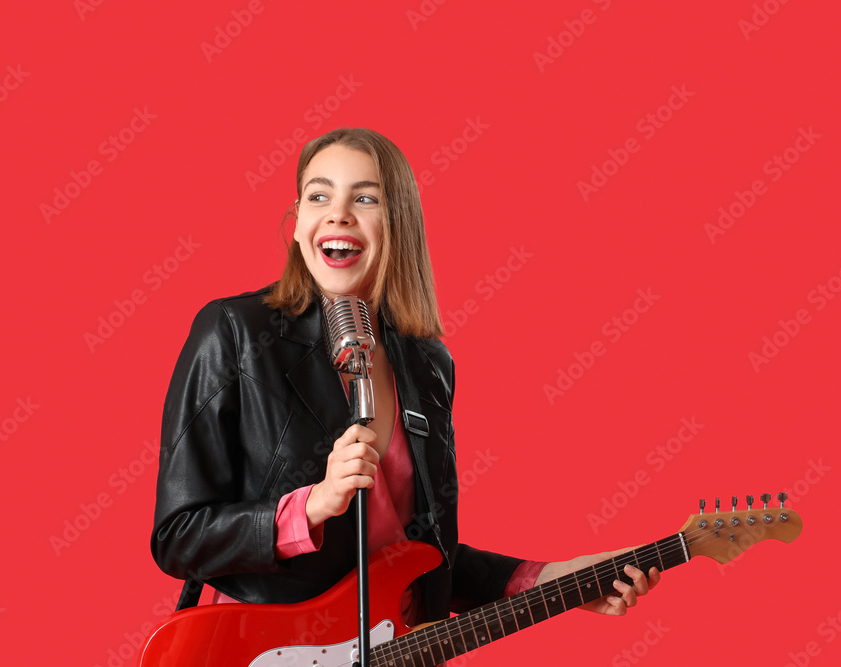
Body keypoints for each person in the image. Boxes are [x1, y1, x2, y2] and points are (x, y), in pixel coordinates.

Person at [150, 127, 660, 637]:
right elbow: (179, 536)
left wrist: (552, 580)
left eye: (365, 197)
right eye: (319, 195)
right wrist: (313, 505)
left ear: (399, 224)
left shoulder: (428, 364)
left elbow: (419, 554)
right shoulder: (235, 332)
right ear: (299, 222)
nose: (338, 213)